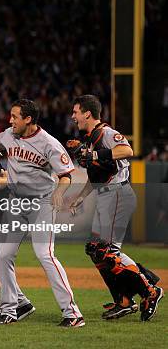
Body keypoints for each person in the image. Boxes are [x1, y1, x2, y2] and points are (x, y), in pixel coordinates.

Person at [0, 99, 85, 327]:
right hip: (16, 203)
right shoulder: (9, 135)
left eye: (15, 116)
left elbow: (66, 174)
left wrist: (60, 191)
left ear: (28, 119)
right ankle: (9, 310)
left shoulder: (49, 143)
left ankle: (72, 313)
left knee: (45, 255)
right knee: (3, 256)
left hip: (41, 203)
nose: (10, 120)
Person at [69, 95, 163, 321]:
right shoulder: (90, 138)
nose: (73, 117)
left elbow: (127, 150)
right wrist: (82, 196)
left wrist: (93, 154)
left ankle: (150, 291)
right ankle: (123, 300)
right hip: (106, 195)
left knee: (107, 252)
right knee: (95, 250)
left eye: (76, 112)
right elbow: (97, 176)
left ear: (87, 114)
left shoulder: (106, 133)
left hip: (118, 194)